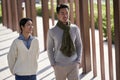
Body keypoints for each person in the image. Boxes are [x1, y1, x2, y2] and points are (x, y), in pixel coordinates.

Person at [47, 3, 83, 80]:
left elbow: (79, 45)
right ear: (57, 15)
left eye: (67, 13)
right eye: (62, 13)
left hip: (73, 64)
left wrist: (78, 60)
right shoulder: (52, 31)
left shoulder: (75, 28)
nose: (65, 15)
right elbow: (49, 48)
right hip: (59, 65)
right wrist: (53, 64)